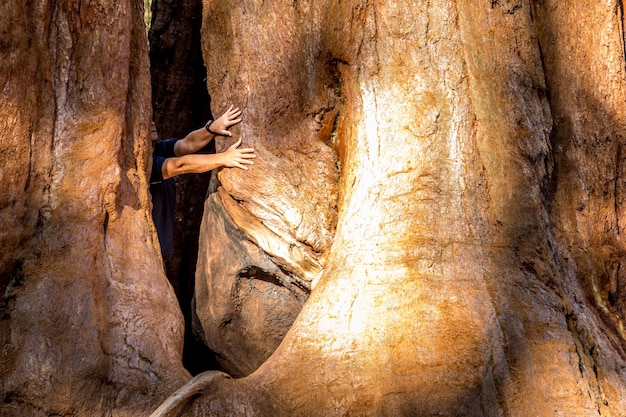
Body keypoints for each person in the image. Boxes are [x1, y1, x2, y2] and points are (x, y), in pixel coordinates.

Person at [150, 105, 256, 255]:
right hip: (146, 249)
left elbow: (187, 144)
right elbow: (180, 165)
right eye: (147, 120)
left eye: (152, 118)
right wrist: (224, 158)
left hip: (159, 250)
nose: (152, 123)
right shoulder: (143, 165)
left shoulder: (159, 149)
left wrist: (212, 128)